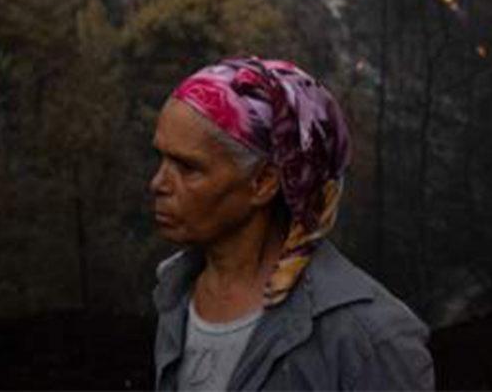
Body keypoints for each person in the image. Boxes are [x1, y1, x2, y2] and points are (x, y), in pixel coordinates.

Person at [149, 57, 434, 391]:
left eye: (187, 168)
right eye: (162, 158)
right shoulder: (174, 293)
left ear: (264, 182)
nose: (158, 183)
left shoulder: (368, 339)